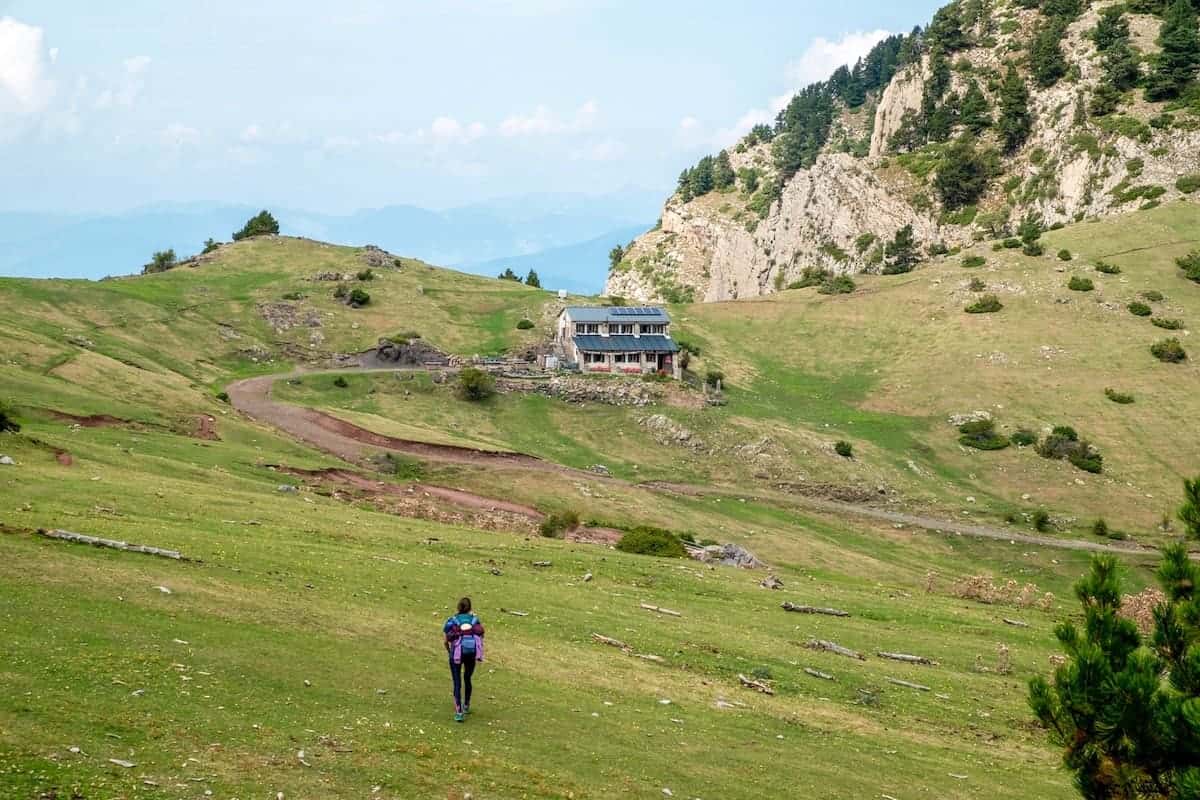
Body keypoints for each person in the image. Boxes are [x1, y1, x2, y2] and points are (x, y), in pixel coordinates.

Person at [443, 597, 484, 722]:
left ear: (458, 607)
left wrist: (450, 651)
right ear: (470, 608)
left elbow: (446, 640)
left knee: (457, 682)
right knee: (467, 678)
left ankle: (459, 712)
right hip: (471, 653)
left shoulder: (452, 621)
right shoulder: (475, 620)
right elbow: (481, 636)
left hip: (456, 653)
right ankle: (466, 705)